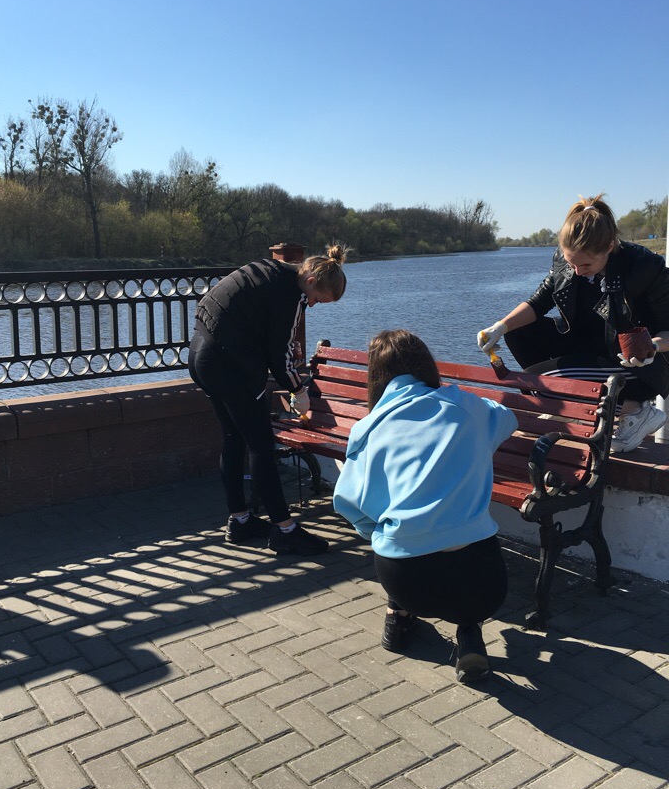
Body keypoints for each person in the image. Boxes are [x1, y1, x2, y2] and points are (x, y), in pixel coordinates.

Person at [332, 330, 518, 683]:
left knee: (391, 535)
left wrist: (382, 535)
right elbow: (507, 418)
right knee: (465, 550)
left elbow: (350, 504)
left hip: (407, 582)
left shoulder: (368, 429)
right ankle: (470, 631)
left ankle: (398, 618)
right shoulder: (465, 405)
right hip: (485, 583)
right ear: (427, 366)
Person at [188, 243, 349, 557]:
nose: (312, 305)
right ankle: (285, 531)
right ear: (311, 281)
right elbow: (280, 355)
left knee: (234, 438)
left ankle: (239, 520)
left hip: (200, 354)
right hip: (229, 365)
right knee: (261, 444)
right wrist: (298, 391)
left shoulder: (267, 270)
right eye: (317, 299)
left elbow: (220, 306)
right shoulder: (290, 294)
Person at [478, 194, 669, 453]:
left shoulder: (644, 266)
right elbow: (538, 302)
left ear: (609, 247)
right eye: (571, 263)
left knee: (537, 384)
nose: (578, 271)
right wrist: (499, 327)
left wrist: (651, 347)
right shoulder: (566, 262)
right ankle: (571, 405)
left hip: (639, 365)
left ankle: (635, 410)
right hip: (589, 350)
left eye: (586, 264)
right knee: (518, 334)